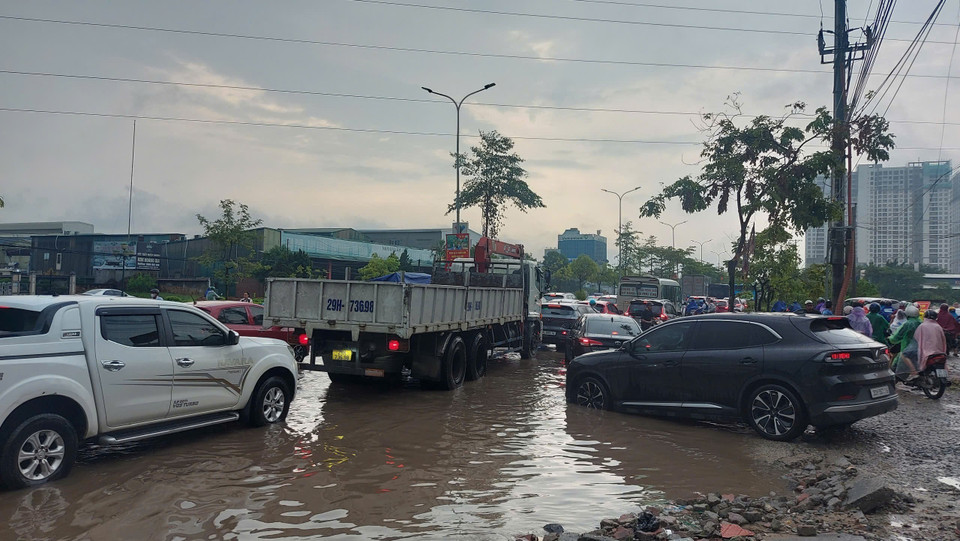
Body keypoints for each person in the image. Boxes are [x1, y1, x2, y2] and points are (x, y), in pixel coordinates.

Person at [890, 305, 922, 378]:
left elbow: (898, 336)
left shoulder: (908, 324)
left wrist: (891, 339)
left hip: (908, 347)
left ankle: (913, 372)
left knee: (899, 360)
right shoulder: (920, 322)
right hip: (920, 347)